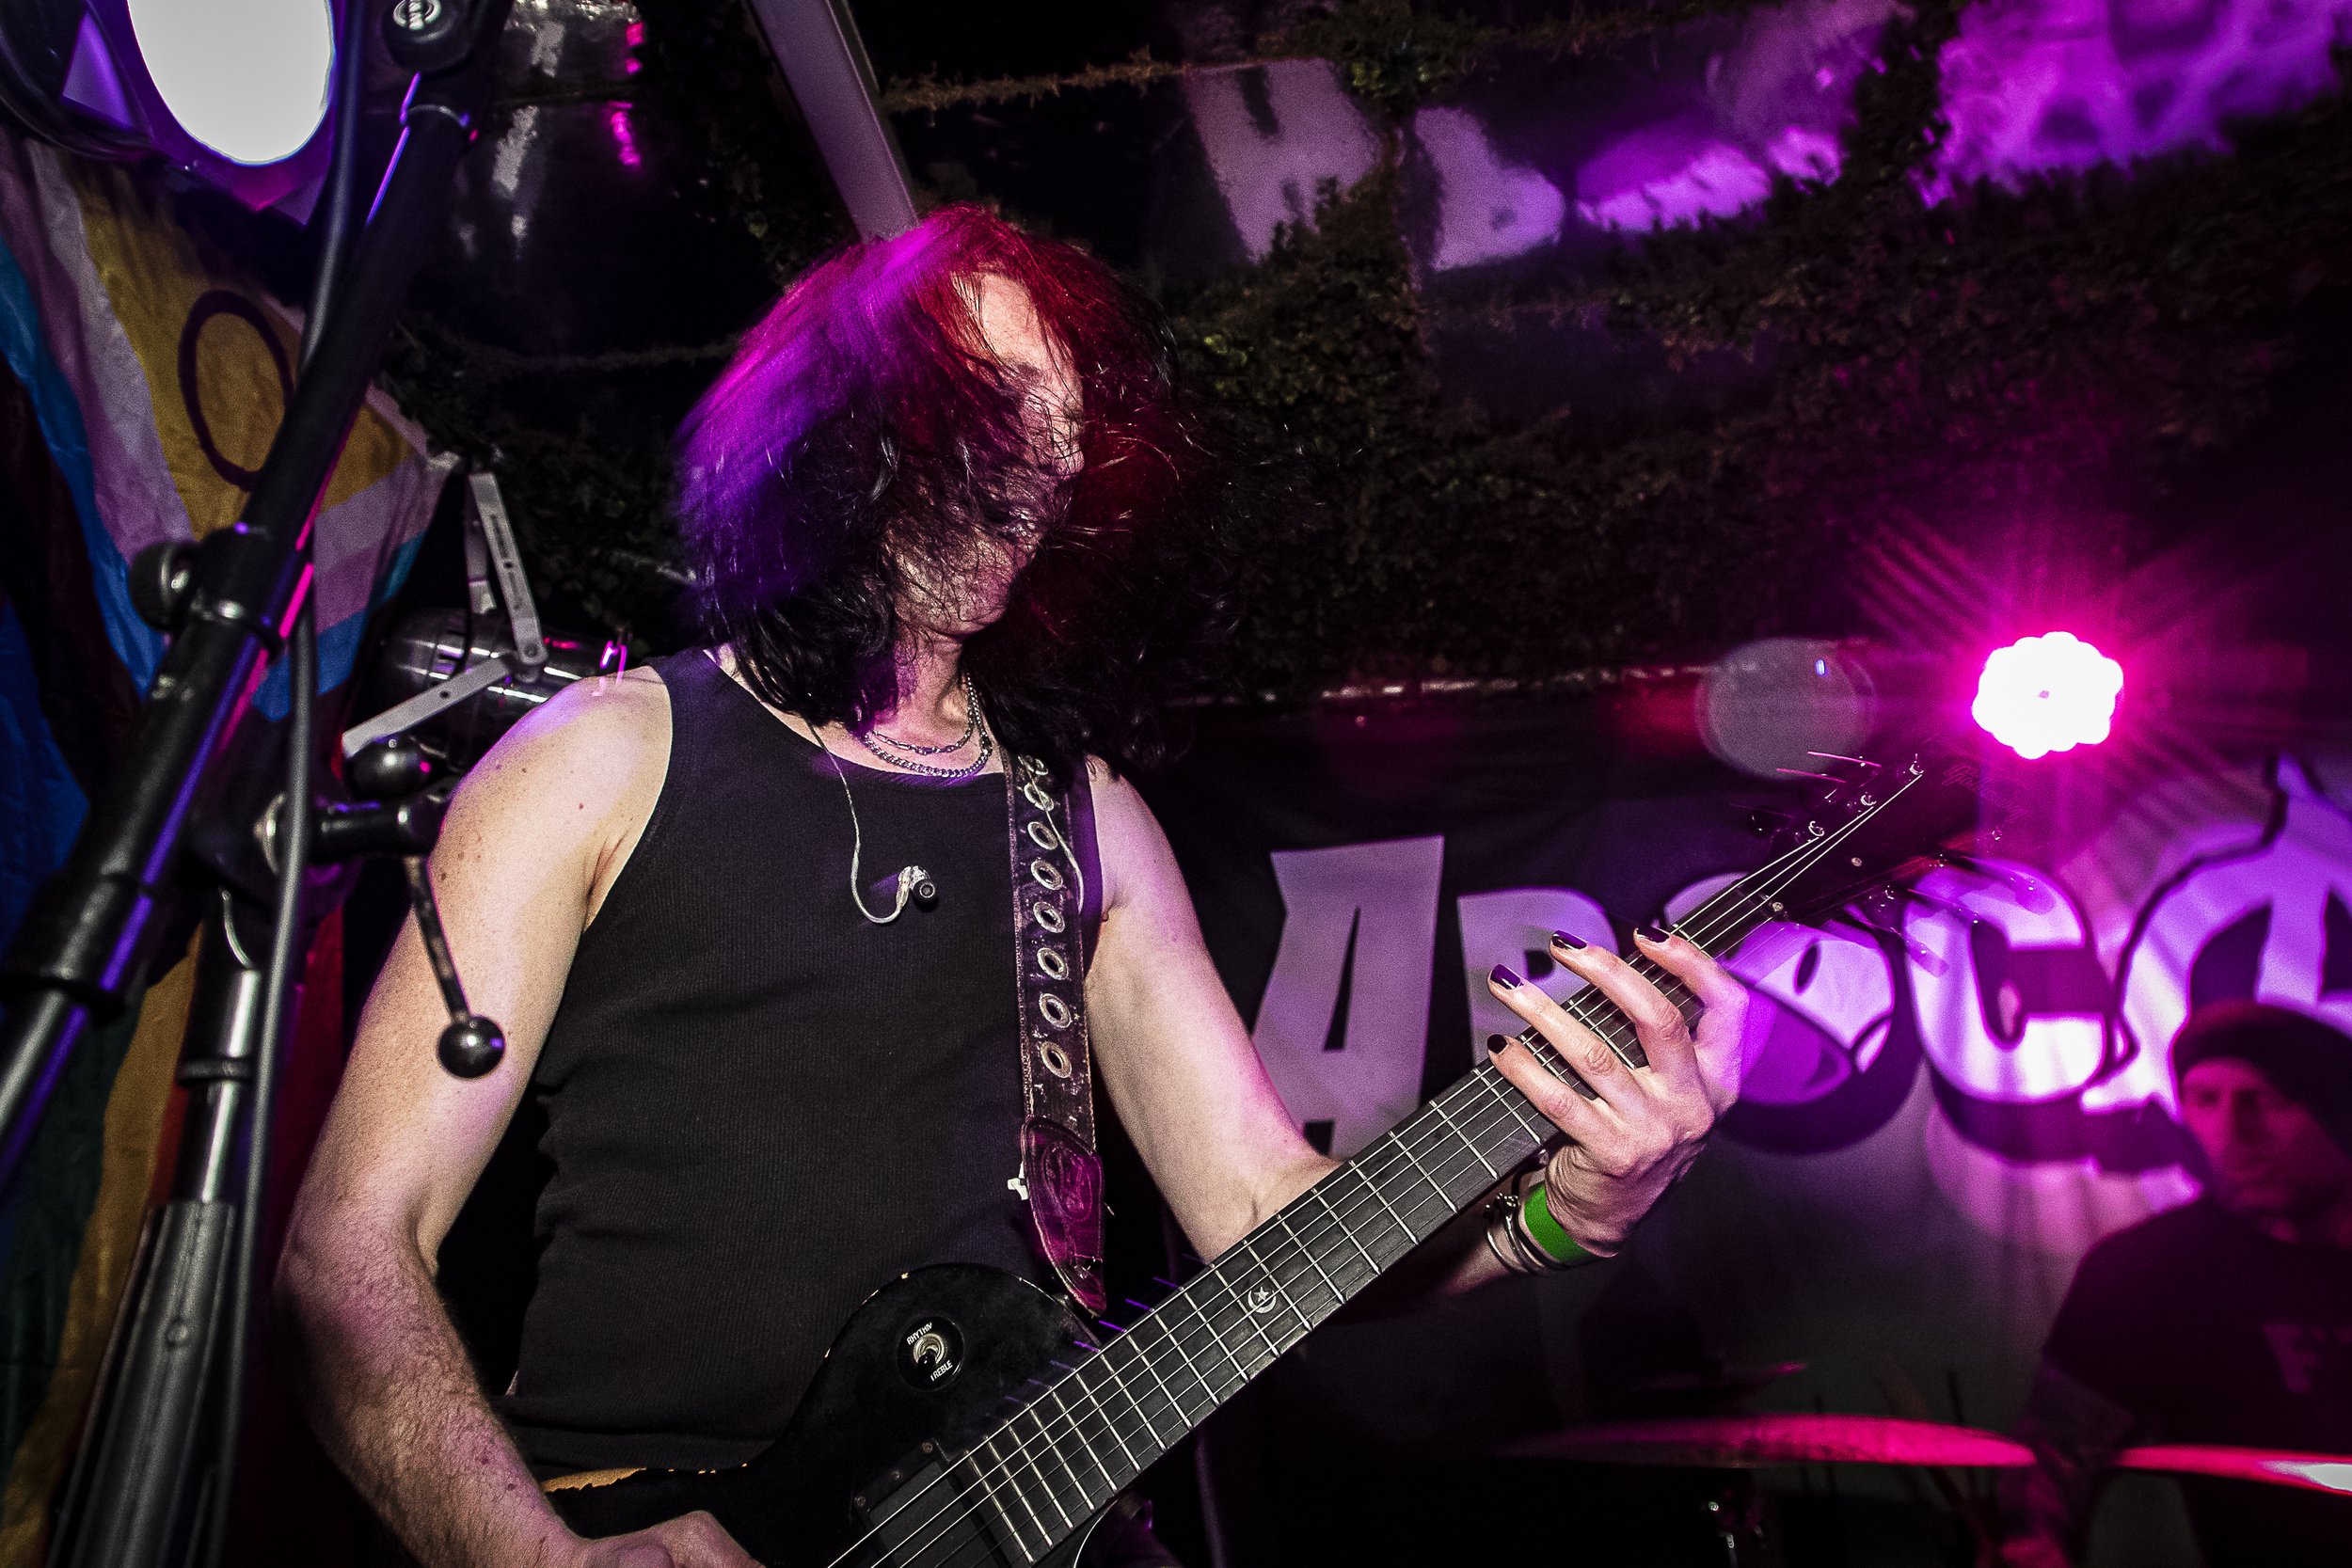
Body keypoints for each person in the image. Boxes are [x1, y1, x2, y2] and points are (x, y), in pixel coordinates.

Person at [277, 205, 1750, 1568]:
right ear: (842, 423)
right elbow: (352, 1246)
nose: (1040, 466)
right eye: (993, 409)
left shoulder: (1085, 813)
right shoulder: (597, 757)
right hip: (648, 1517)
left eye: (1063, 432)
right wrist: (533, 1558)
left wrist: (1558, 1214)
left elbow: (1261, 1213)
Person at [1998, 1001, 2352, 1568]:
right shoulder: (2150, 1270)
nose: (2232, 1134)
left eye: (2267, 1101)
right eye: (2205, 1100)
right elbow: (2051, 1458)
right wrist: (2030, 1544)